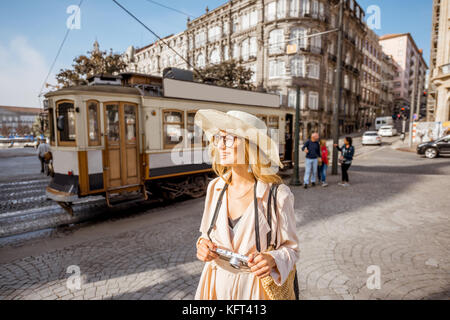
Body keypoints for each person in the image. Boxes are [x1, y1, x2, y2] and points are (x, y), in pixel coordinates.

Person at [194, 109, 299, 300]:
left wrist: (272, 259)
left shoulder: (277, 195)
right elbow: (205, 235)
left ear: (250, 146)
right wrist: (202, 246)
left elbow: (291, 250)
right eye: (219, 138)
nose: (221, 145)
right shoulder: (215, 188)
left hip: (255, 291)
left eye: (229, 139)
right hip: (216, 286)